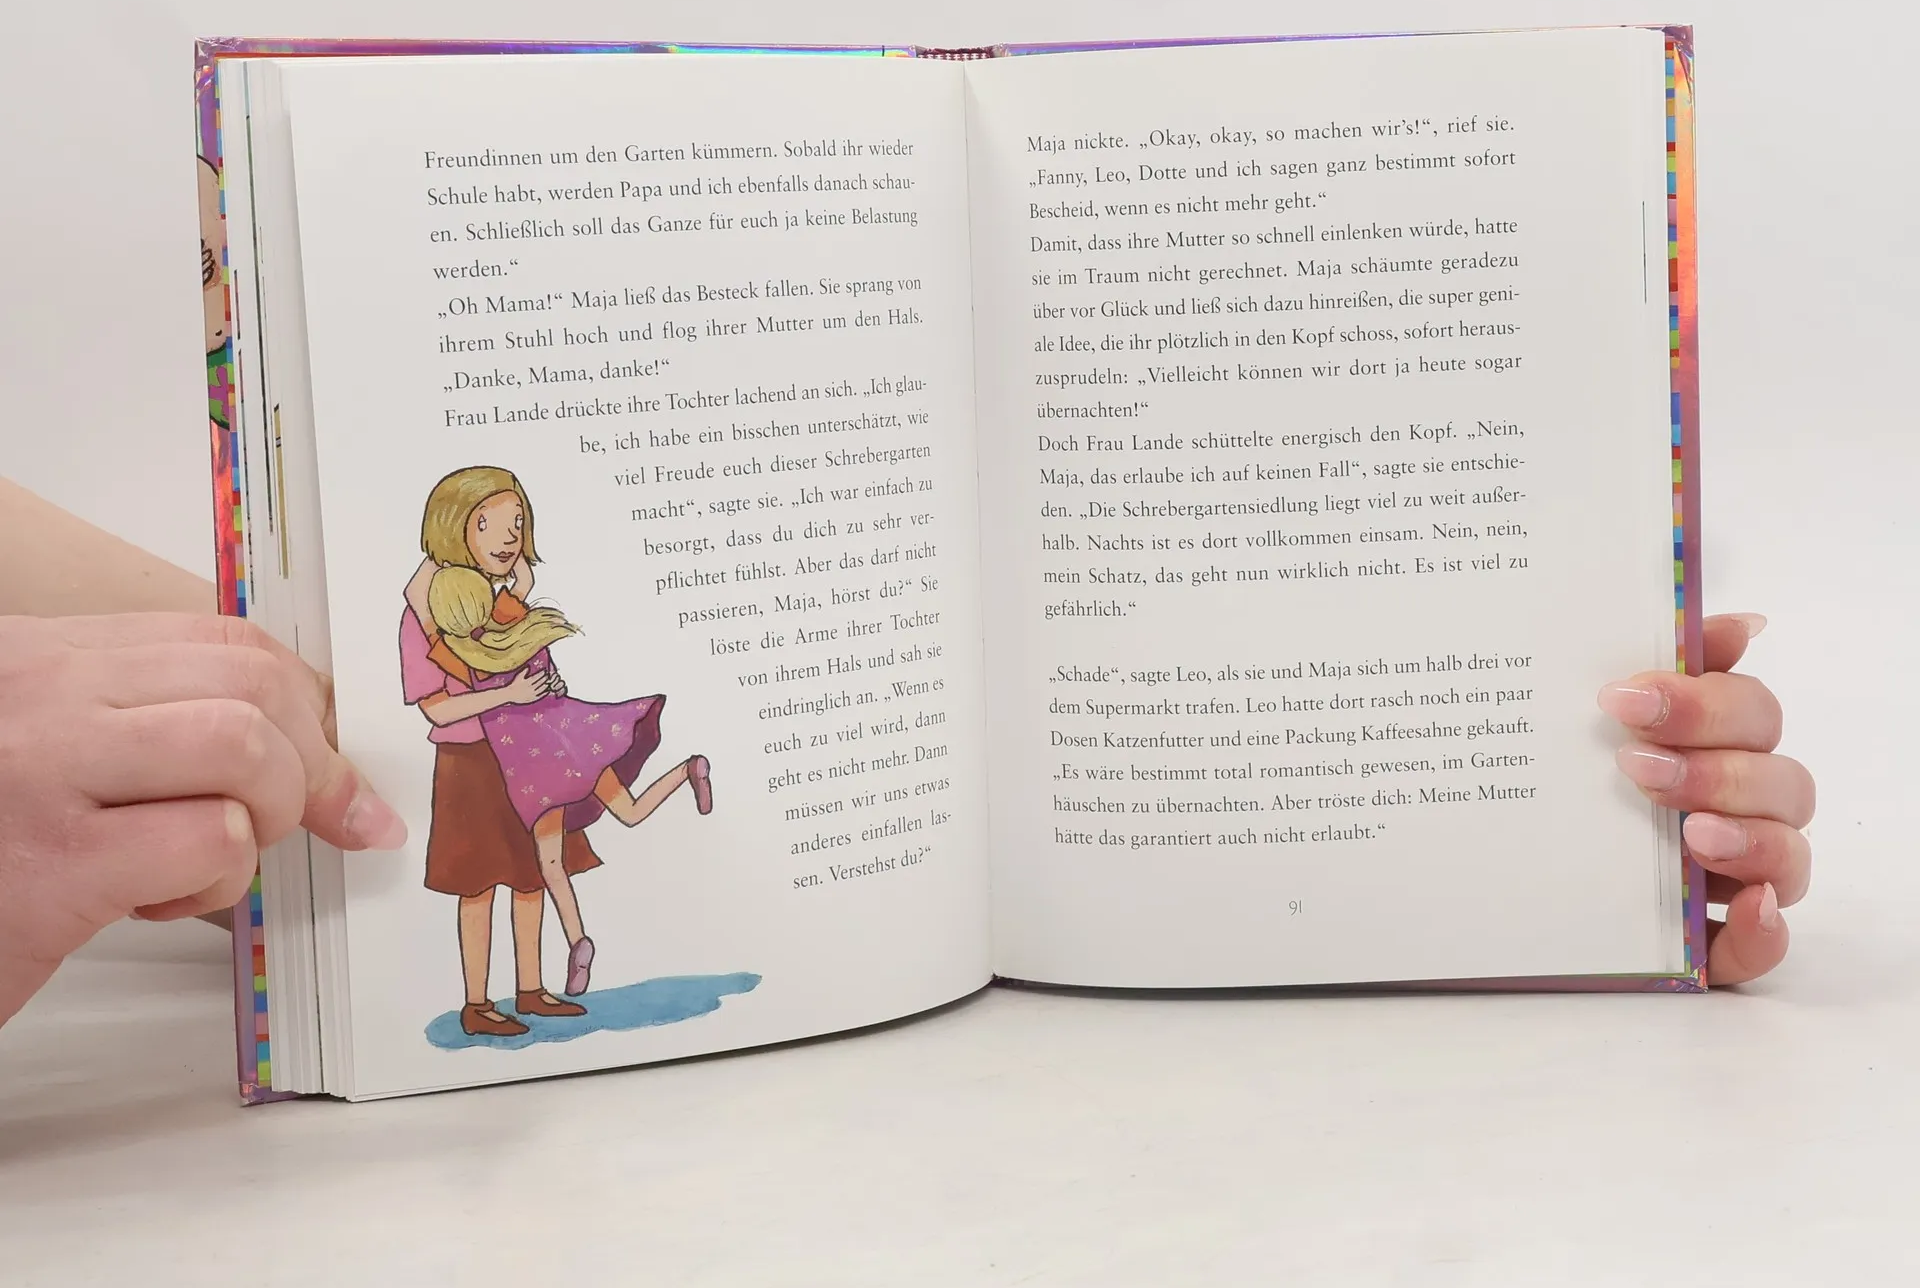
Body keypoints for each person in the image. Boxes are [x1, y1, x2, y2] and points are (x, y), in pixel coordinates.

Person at [0, 473, 1812, 1032]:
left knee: (531, 856)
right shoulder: (457, 613)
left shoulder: (469, 615)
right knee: (513, 873)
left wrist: (1511, 800)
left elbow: (274, 728)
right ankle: (504, 988)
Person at [421, 565, 711, 1033]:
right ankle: (687, 770)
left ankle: (578, 939)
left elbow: (440, 669)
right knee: (630, 812)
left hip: (540, 773)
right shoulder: (521, 627)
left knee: (549, 866)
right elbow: (523, 590)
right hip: (579, 740)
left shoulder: (468, 657)